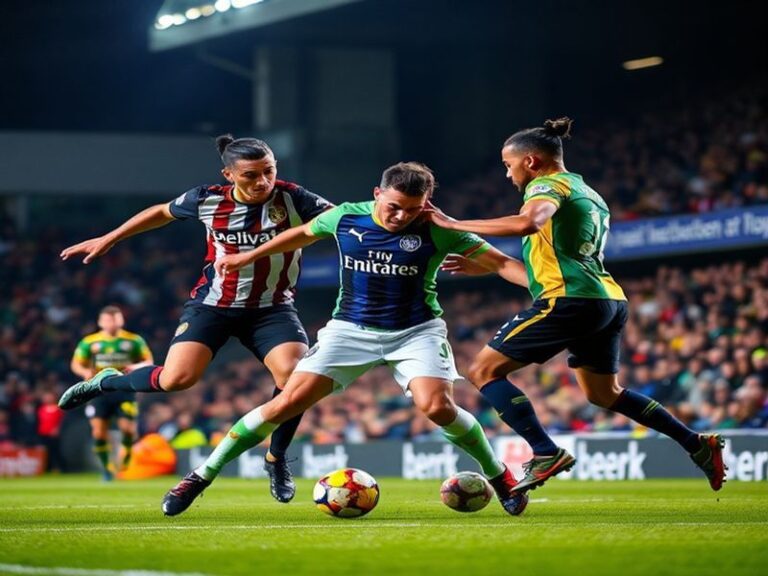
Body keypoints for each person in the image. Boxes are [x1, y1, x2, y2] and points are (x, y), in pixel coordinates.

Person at [161, 161, 531, 517]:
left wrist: (547, 288)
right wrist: (249, 256)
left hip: (416, 331)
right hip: (349, 329)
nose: (401, 217)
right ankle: (199, 477)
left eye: (413, 210)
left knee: (437, 408)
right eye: (394, 207)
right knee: (283, 404)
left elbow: (501, 263)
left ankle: (498, 474)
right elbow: (301, 234)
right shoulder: (346, 216)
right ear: (376, 195)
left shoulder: (439, 227)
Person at [427, 117, 727, 493]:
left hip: (571, 301)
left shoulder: (546, 185)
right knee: (604, 394)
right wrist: (487, 267)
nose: (508, 174)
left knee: (482, 370)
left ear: (531, 161)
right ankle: (696, 443)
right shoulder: (587, 192)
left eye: (509, 165)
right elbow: (548, 264)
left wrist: (452, 224)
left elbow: (528, 223)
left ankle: (544, 452)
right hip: (606, 301)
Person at [58, 136, 334, 500]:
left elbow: (349, 218)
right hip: (214, 305)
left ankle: (276, 456)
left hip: (272, 308)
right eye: (251, 175)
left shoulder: (293, 197)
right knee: (176, 379)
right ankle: (107, 381)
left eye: (269, 171)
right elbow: (160, 212)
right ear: (229, 174)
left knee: (296, 378)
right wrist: (110, 238)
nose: (262, 182)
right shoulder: (208, 199)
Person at [70, 306, 153, 480]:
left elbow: (148, 361)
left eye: (115, 319)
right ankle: (107, 469)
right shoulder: (90, 342)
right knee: (99, 432)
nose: (111, 323)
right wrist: (84, 372)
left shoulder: (133, 341)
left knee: (128, 430)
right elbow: (76, 363)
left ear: (121, 320)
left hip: (123, 389)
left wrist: (134, 367)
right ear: (100, 322)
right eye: (107, 319)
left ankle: (126, 455)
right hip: (98, 391)